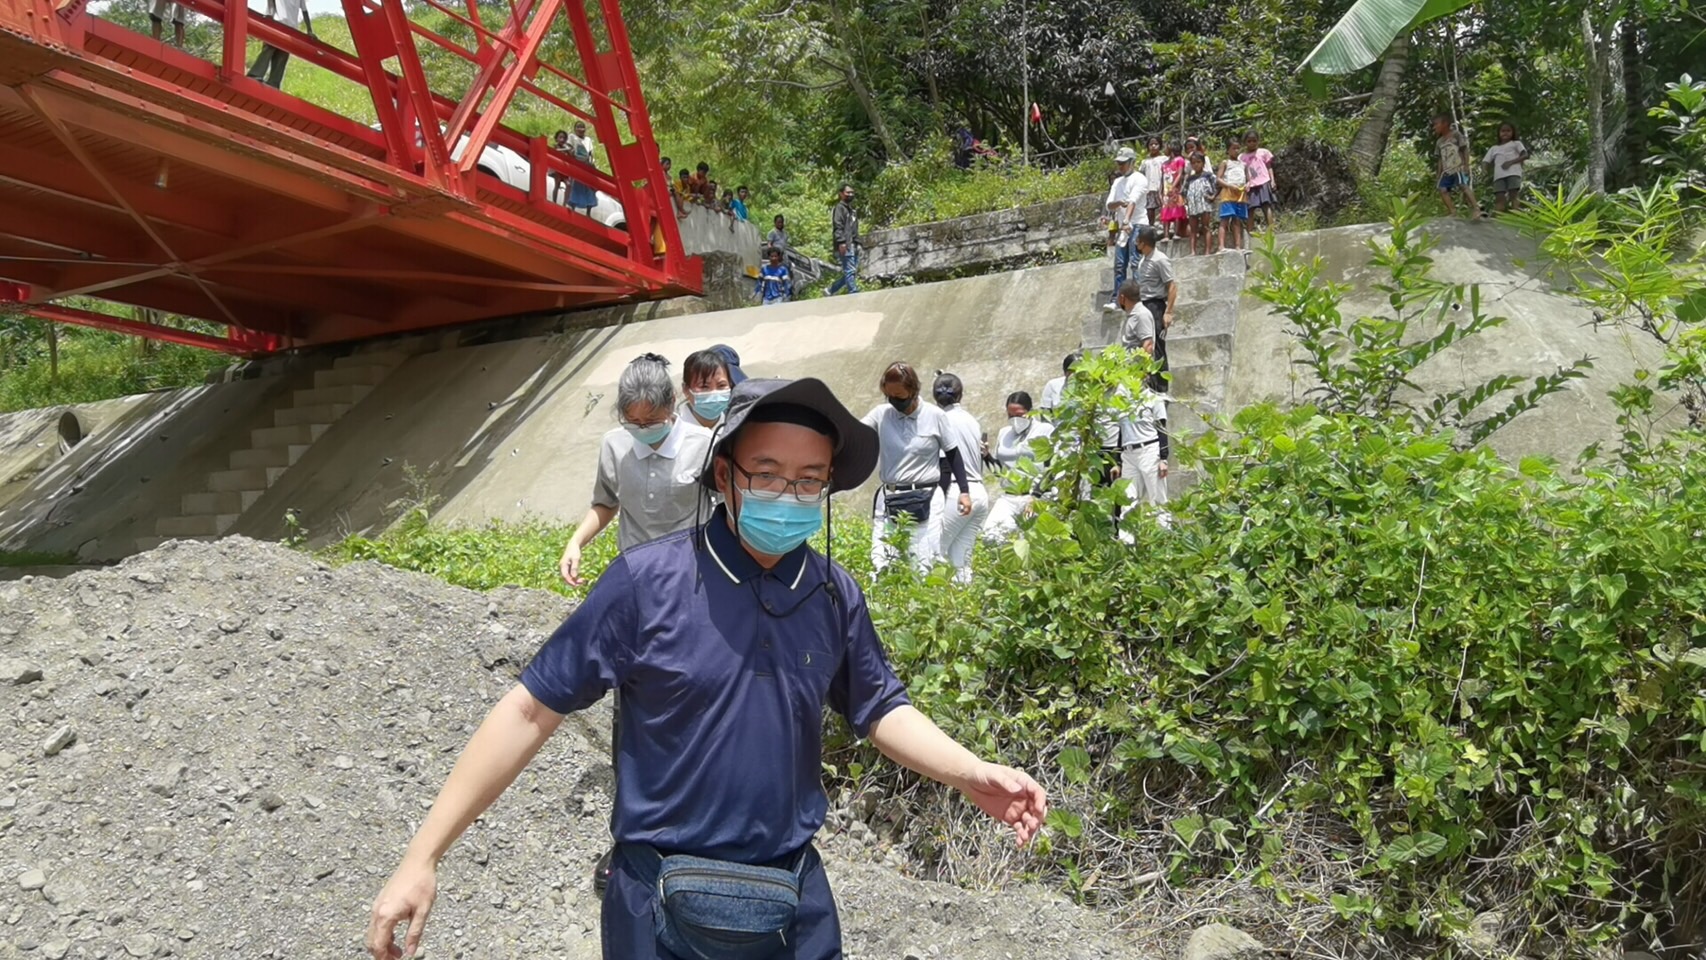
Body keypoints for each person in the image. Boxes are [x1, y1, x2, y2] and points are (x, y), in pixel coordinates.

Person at [365, 376, 1046, 960]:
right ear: (724, 475)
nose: (791, 493)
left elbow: (878, 707)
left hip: (791, 896)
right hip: (657, 904)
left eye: (811, 480)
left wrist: (970, 773)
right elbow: (530, 708)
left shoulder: (833, 592)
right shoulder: (646, 583)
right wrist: (423, 855)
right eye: (770, 474)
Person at [556, 354, 712, 585]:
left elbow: (729, 507)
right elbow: (605, 503)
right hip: (635, 569)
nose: (642, 429)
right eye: (632, 421)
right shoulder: (614, 445)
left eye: (651, 421)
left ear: (671, 402)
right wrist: (575, 543)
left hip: (692, 569)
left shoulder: (705, 444)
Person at [862, 362, 971, 572]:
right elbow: (855, 432)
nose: (895, 402)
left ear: (913, 391)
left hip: (925, 497)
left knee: (923, 562)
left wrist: (964, 491)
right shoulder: (881, 414)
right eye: (890, 397)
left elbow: (953, 454)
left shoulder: (935, 416)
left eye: (900, 397)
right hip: (890, 497)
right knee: (882, 561)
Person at [927, 373, 990, 584]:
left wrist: (936, 499)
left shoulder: (941, 420)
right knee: (961, 559)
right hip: (979, 491)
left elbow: (946, 465)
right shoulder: (971, 420)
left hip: (957, 492)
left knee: (933, 552)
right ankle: (965, 610)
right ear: (960, 394)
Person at [982, 391, 1055, 543]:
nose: (1015, 420)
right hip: (1009, 496)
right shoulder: (1004, 433)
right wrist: (986, 456)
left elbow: (1051, 468)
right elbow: (1001, 471)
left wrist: (1036, 497)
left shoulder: (1045, 430)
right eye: (1010, 415)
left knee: (1032, 542)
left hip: (1035, 496)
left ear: (1030, 411)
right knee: (991, 536)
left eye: (1020, 415)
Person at [1118, 374, 1170, 529]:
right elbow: (1121, 432)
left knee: (1158, 499)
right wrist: (1117, 460)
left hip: (1149, 449)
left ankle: (1166, 540)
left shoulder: (1153, 399)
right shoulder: (1122, 402)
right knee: (1127, 500)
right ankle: (1127, 543)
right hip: (1128, 453)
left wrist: (1163, 458)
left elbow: (1162, 428)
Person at [1133, 225, 1177, 383]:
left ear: (1143, 243)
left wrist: (1168, 312)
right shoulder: (1143, 260)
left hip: (1155, 306)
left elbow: (1171, 286)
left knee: (1157, 347)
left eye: (1137, 241)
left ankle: (1161, 386)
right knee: (1145, 346)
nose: (1136, 244)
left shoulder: (1160, 259)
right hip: (1143, 305)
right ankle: (1148, 382)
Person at [1104, 146, 1147, 304]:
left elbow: (1133, 202)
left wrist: (1127, 220)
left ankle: (1139, 296)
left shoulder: (1140, 179)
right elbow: (1109, 204)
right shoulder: (1117, 182)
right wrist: (1118, 203)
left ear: (1132, 162)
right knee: (1120, 264)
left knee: (1135, 261)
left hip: (1137, 224)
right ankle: (1118, 298)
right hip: (1124, 227)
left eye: (1123, 163)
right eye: (1119, 163)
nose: (1120, 166)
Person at [246, 0, 313, 89]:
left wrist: (309, 30)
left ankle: (273, 83)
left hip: (291, 28)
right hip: (278, 23)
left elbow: (304, 11)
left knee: (282, 55)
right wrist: (270, 14)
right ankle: (255, 74)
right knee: (269, 49)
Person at [1432, 114, 1482, 220]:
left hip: (1458, 167)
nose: (1434, 127)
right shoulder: (1439, 142)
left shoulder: (1456, 135)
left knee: (1463, 185)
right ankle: (1452, 211)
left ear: (1445, 124)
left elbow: (1464, 149)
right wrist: (1439, 173)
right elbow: (1440, 158)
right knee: (1442, 189)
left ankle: (1476, 208)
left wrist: (1466, 165)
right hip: (1446, 170)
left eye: (1436, 124)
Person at [678, 348, 735, 429]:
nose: (714, 392)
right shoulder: (676, 433)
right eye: (704, 386)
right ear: (686, 390)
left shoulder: (735, 426)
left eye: (721, 385)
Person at [1483, 122, 1530, 213]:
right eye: (1503, 131)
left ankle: (1516, 214)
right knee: (1499, 196)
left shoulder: (1516, 143)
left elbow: (1525, 155)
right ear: (1499, 133)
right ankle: (1498, 217)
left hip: (1513, 172)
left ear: (1513, 132)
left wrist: (1511, 162)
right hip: (1499, 176)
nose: (1505, 133)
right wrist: (1484, 169)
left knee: (1513, 194)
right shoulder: (1494, 148)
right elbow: (1485, 161)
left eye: (1508, 131)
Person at [1240, 131, 1277, 232]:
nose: (1252, 143)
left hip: (1264, 182)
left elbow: (1269, 167)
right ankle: (1250, 232)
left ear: (1258, 141)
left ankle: (1271, 231)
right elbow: (1241, 172)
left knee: (1266, 206)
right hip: (1251, 185)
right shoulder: (1242, 157)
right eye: (1249, 141)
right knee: (1250, 209)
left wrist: (1272, 180)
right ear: (1245, 142)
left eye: (1254, 141)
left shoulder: (1264, 152)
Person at [1184, 151, 1219, 256]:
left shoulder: (1209, 176)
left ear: (1203, 163)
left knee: (1205, 227)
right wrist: (1186, 200)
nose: (1196, 164)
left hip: (1205, 204)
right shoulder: (1190, 179)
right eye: (1193, 163)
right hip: (1193, 205)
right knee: (1193, 229)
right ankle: (1192, 251)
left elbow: (1218, 185)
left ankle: (1207, 251)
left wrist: (1213, 196)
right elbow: (1184, 191)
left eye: (1198, 162)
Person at [1216, 139, 1248, 252]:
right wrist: (1229, 186)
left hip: (1240, 194)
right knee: (1224, 219)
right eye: (1233, 148)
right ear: (1228, 150)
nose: (1236, 151)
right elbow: (1218, 179)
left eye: (1238, 148)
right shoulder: (1225, 163)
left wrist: (1248, 185)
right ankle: (1221, 246)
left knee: (1237, 220)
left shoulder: (1243, 164)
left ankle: (1238, 246)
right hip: (1228, 194)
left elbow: (1249, 179)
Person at [828, 184, 860, 296]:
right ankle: (854, 293)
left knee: (851, 272)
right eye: (848, 192)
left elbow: (854, 229)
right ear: (841, 194)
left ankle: (830, 290)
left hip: (853, 245)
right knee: (850, 271)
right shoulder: (839, 208)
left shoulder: (852, 210)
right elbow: (838, 226)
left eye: (852, 192)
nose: (850, 194)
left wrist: (858, 243)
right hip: (845, 244)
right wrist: (841, 242)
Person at [565, 120, 599, 213]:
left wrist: (592, 164)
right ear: (575, 129)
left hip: (586, 165)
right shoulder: (572, 137)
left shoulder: (588, 139)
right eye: (578, 127)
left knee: (589, 187)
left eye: (582, 127)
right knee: (574, 185)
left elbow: (591, 153)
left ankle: (589, 211)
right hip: (576, 164)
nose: (580, 129)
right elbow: (568, 148)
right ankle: (572, 207)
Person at [1160, 143, 1188, 243]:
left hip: (1176, 190)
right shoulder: (1164, 164)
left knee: (1177, 211)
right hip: (1166, 192)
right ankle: (1166, 234)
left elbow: (1180, 174)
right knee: (1165, 212)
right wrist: (1161, 191)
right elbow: (1162, 179)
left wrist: (1173, 186)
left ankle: (1176, 233)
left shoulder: (1179, 160)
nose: (1164, 149)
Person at [1038, 350, 1079, 418]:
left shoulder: (1091, 387)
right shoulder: (1052, 385)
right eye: (1072, 371)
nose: (1076, 375)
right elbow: (1045, 413)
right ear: (1065, 372)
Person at [1139, 138, 1167, 231]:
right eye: (1151, 145)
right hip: (1149, 188)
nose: (1153, 146)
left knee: (1163, 206)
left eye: (1156, 144)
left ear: (1160, 145)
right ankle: (1150, 227)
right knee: (1150, 208)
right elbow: (1141, 174)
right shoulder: (1145, 162)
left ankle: (1165, 228)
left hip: (1161, 187)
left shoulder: (1164, 159)